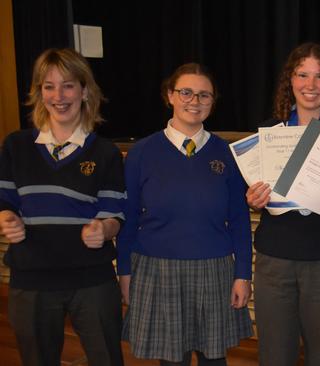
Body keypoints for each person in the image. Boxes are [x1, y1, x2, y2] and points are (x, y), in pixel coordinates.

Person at [116, 63, 252, 366]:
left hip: (214, 269)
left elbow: (240, 221)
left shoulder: (227, 154)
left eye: (205, 95)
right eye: (186, 92)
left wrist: (243, 273)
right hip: (157, 269)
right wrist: (124, 270)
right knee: (172, 360)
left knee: (213, 359)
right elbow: (128, 218)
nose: (195, 101)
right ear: (170, 96)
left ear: (213, 102)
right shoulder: (142, 152)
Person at [0, 48, 125, 365]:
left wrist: (103, 229)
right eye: (48, 86)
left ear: (84, 91)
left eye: (68, 85)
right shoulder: (15, 146)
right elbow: (6, 204)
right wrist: (7, 217)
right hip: (31, 280)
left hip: (92, 281)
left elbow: (114, 217)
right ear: (39, 93)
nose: (59, 95)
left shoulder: (106, 153)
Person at [245, 42, 320, 366]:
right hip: (274, 260)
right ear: (290, 80)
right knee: (274, 355)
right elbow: (258, 195)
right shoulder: (270, 132)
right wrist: (253, 200)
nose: (310, 85)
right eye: (302, 75)